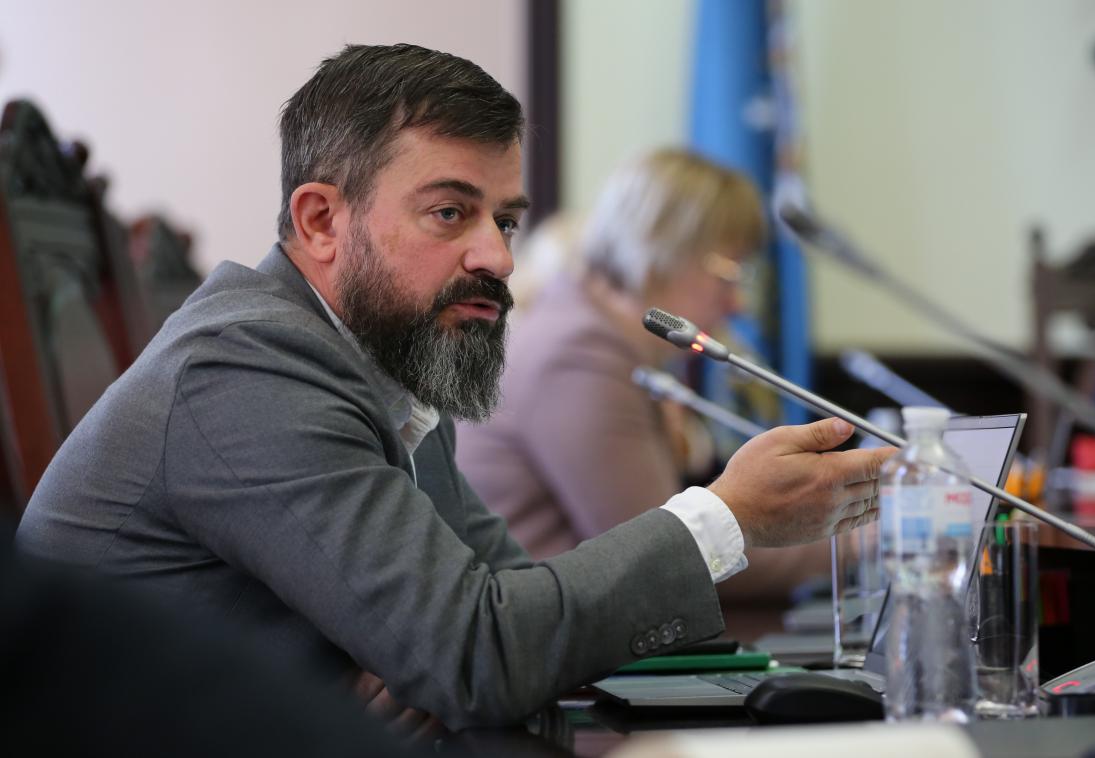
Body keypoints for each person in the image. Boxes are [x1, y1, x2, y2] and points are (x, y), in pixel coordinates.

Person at [15, 43, 890, 729]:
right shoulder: (246, 369)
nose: (498, 257)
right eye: (450, 212)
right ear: (320, 220)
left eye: (505, 219)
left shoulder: (390, 350)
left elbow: (503, 608)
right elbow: (478, 654)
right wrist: (726, 518)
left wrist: (458, 654)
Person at [457, 149, 831, 601]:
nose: (738, 305)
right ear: (663, 249)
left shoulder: (588, 331)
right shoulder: (577, 356)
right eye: (729, 273)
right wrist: (859, 541)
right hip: (553, 635)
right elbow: (670, 558)